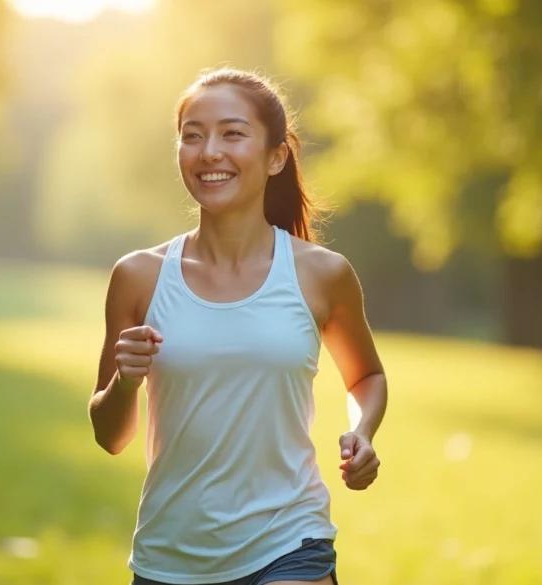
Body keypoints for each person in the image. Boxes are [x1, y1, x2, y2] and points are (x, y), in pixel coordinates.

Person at [88, 67, 388, 585]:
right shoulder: (138, 276)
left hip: (290, 541)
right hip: (170, 556)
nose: (209, 152)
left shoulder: (322, 274)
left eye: (232, 133)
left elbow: (366, 377)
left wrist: (361, 432)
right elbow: (111, 436)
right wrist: (126, 379)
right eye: (192, 135)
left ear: (276, 157)